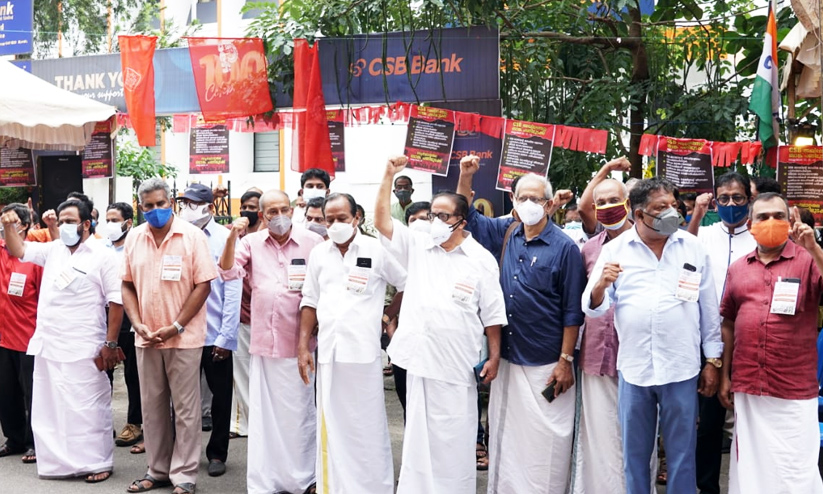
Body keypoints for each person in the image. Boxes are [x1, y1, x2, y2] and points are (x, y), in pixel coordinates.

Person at [375, 156, 507, 494]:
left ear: (461, 220)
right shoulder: (419, 245)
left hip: (456, 365)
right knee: (419, 438)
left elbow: (493, 316)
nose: (435, 221)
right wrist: (388, 174)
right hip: (419, 361)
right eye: (433, 214)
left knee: (454, 439)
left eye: (443, 216)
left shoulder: (480, 259)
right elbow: (382, 222)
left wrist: (494, 357)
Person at [582, 177, 722, 494]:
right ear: (639, 214)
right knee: (634, 455)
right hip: (635, 369)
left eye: (673, 205)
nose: (671, 212)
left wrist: (712, 361)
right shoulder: (615, 250)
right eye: (661, 207)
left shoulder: (693, 247)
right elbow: (591, 308)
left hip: (681, 367)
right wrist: (601, 285)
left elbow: (709, 309)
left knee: (682, 455)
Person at [455, 155, 585, 493]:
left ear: (549, 204)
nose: (529, 204)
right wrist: (466, 176)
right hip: (509, 358)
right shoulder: (507, 233)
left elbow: (573, 311)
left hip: (547, 362)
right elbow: (467, 216)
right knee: (507, 439)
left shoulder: (565, 248)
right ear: (513, 201)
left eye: (536, 199)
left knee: (546, 443)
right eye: (522, 197)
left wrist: (565, 361)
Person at [2, 196, 123, 483]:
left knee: (88, 407)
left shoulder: (103, 255)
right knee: (53, 408)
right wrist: (8, 226)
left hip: (85, 346)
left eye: (70, 221)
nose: (65, 225)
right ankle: (60, 463)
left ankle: (98, 462)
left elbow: (116, 302)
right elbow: (19, 249)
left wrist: (111, 344)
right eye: (61, 221)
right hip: (50, 344)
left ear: (86, 224)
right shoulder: (53, 250)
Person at [298, 192, 406, 494]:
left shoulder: (376, 249)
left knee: (366, 424)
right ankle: (335, 486)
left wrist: (387, 316)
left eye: (341, 218)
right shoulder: (319, 254)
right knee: (332, 424)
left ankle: (372, 487)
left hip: (363, 354)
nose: (335, 224)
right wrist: (303, 347)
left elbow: (405, 283)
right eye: (329, 219)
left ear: (356, 217)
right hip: (329, 353)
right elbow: (310, 300)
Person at [220, 189, 324, 494]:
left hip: (301, 344)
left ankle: (302, 478)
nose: (279, 216)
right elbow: (227, 271)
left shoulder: (312, 242)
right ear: (262, 216)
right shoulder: (250, 243)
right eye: (272, 212)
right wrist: (232, 237)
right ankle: (268, 480)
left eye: (283, 210)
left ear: (291, 210)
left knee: (299, 414)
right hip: (265, 342)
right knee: (266, 416)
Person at [718, 194, 823, 494]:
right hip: (749, 384)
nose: (771, 222)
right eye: (763, 217)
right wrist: (725, 375)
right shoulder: (738, 268)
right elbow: (728, 322)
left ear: (790, 222)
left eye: (778, 216)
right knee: (752, 465)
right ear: (750, 224)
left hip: (794, 385)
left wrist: (814, 247)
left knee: (795, 468)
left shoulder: (808, 260)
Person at [122, 178, 217, 494]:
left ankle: (185, 474)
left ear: (171, 203)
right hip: (147, 337)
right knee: (152, 407)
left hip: (183, 338)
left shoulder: (192, 236)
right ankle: (157, 470)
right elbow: (126, 284)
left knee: (186, 410)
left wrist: (176, 325)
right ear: (141, 207)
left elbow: (203, 285)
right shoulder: (135, 237)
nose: (155, 210)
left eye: (161, 203)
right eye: (148, 205)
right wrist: (137, 323)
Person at [685, 172, 756, 494]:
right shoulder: (704, 235)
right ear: (715, 201)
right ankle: (707, 487)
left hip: (749, 340)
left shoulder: (758, 237)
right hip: (709, 342)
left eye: (737, 198)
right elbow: (682, 257)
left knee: (750, 421)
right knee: (709, 423)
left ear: (749, 200)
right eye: (724, 198)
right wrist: (697, 216)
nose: (730, 204)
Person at [572, 176, 635, 494]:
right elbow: (579, 302)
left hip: (636, 356)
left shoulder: (647, 243)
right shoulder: (589, 249)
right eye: (602, 203)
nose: (609, 207)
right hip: (596, 352)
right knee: (598, 433)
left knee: (634, 434)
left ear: (628, 203)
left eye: (614, 200)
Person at [176, 183, 242, 478]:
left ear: (210, 207)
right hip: (183, 332)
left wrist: (226, 337)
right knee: (182, 399)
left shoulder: (226, 239)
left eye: (193, 203)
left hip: (215, 332)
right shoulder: (177, 237)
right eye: (184, 203)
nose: (187, 209)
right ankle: (183, 453)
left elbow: (233, 290)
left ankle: (217, 453)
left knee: (221, 397)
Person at [0, 204, 42, 465]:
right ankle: (13, 438)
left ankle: (34, 442)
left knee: (33, 393)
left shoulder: (35, 257)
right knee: (6, 392)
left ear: (25, 226)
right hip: (3, 336)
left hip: (29, 336)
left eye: (11, 222)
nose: (4, 226)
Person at [103, 202, 145, 454]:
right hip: (105, 315)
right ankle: (102, 422)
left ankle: (134, 423)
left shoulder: (137, 247)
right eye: (107, 219)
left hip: (130, 315)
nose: (109, 224)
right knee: (103, 371)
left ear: (128, 223)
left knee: (133, 373)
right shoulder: (101, 248)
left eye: (114, 220)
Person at [229, 189, 265, 439]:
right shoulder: (234, 234)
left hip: (267, 316)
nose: (247, 211)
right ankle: (243, 425)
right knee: (241, 373)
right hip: (242, 316)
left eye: (253, 207)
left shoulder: (268, 237)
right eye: (245, 206)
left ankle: (264, 423)